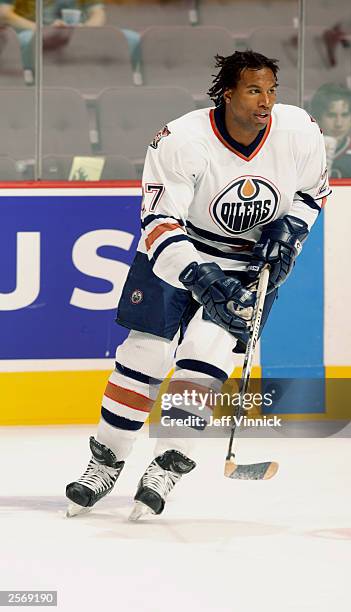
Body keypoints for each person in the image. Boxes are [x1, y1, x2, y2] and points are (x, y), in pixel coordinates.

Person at [65, 50, 331, 521]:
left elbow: (312, 193)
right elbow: (158, 220)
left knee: (204, 363)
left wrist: (289, 234)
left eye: (271, 90)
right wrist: (197, 275)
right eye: (253, 90)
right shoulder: (182, 139)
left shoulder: (300, 131)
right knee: (142, 356)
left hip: (248, 265)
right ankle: (104, 463)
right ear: (227, 93)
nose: (265, 101)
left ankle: (166, 466)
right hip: (177, 253)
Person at [0, 0, 140, 72]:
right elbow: (4, 14)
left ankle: (128, 88)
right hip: (34, 30)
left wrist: (84, 31)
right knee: (26, 39)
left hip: (79, 32)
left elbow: (98, 13)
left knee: (132, 39)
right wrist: (44, 29)